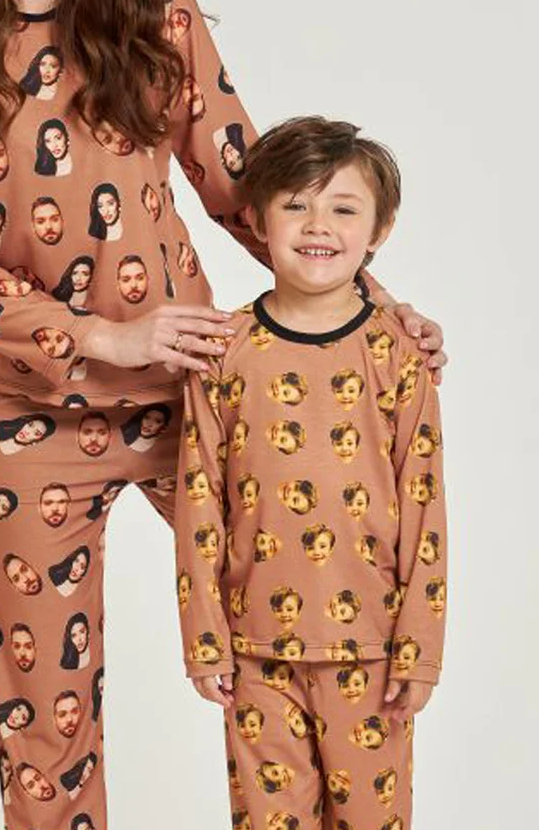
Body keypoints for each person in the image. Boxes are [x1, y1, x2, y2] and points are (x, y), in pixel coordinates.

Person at [0, 0, 446, 828]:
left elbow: (246, 183)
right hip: (29, 418)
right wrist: (99, 337)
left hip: (196, 396)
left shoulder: (151, 3)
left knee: (309, 617)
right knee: (44, 732)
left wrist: (375, 310)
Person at [174, 117, 447, 830]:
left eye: (343, 209)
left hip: (375, 651)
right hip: (253, 653)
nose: (318, 225)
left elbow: (425, 510)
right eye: (295, 204)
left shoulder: (399, 356)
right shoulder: (221, 352)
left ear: (379, 230)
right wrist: (205, 638)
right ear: (258, 220)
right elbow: (200, 502)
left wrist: (419, 650)